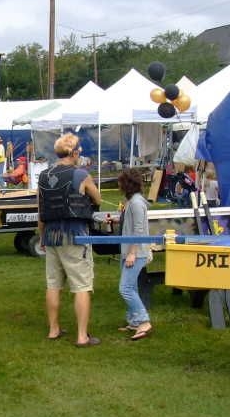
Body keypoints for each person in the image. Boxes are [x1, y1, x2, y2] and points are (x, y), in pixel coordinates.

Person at [37, 133, 102, 345]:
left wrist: (41, 237)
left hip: (51, 234)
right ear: (73, 153)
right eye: (79, 151)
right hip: (75, 235)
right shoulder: (80, 174)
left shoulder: (44, 176)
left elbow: (41, 210)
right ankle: (82, 336)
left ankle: (53, 330)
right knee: (82, 285)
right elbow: (97, 198)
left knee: (53, 284)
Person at [117, 169, 153, 341]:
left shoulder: (137, 203)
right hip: (131, 252)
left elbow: (138, 230)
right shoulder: (132, 201)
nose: (118, 185)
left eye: (121, 182)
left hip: (136, 253)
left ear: (127, 184)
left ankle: (143, 321)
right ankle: (133, 321)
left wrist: (132, 253)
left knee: (125, 288)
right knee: (132, 287)